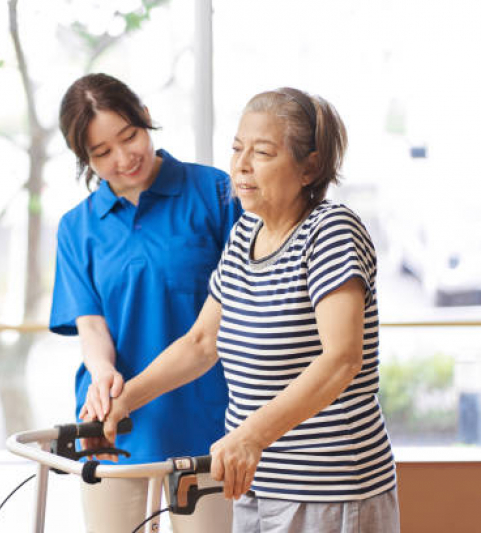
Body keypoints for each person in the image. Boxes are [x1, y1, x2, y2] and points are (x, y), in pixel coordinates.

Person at [102, 87, 401, 532]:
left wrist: (250, 436)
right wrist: (126, 398)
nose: (241, 165)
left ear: (309, 167)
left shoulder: (330, 232)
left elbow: (343, 360)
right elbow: (202, 343)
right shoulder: (245, 238)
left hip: (331, 489)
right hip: (257, 483)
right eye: (237, 148)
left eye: (262, 152)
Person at [49, 73, 242, 533]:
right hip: (112, 415)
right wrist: (101, 373)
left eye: (129, 136)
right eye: (102, 153)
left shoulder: (216, 193)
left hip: (207, 409)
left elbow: (236, 312)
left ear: (145, 118)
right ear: (84, 159)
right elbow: (91, 325)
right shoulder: (77, 228)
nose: (123, 158)